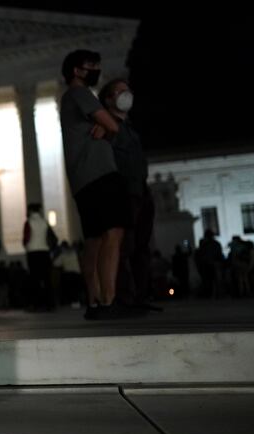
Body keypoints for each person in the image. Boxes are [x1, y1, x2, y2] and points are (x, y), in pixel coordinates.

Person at [59, 50, 131, 320]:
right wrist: (109, 124)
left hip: (81, 178)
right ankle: (109, 300)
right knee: (113, 232)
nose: (96, 70)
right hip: (99, 173)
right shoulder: (80, 94)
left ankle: (95, 300)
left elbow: (106, 125)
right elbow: (111, 124)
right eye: (92, 66)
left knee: (94, 240)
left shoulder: (69, 100)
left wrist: (106, 125)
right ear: (77, 70)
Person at [98, 78, 155, 308]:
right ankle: (125, 297)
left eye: (127, 90)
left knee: (142, 247)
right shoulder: (105, 126)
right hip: (123, 192)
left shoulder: (130, 127)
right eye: (120, 91)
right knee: (124, 247)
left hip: (141, 189)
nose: (127, 94)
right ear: (109, 99)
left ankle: (142, 296)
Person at [22, 203, 55, 311]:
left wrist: (26, 245)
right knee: (47, 279)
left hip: (33, 253)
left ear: (31, 211)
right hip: (44, 252)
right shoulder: (44, 221)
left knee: (34, 279)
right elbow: (53, 237)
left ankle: (36, 304)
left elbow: (26, 237)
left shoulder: (29, 222)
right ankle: (50, 304)